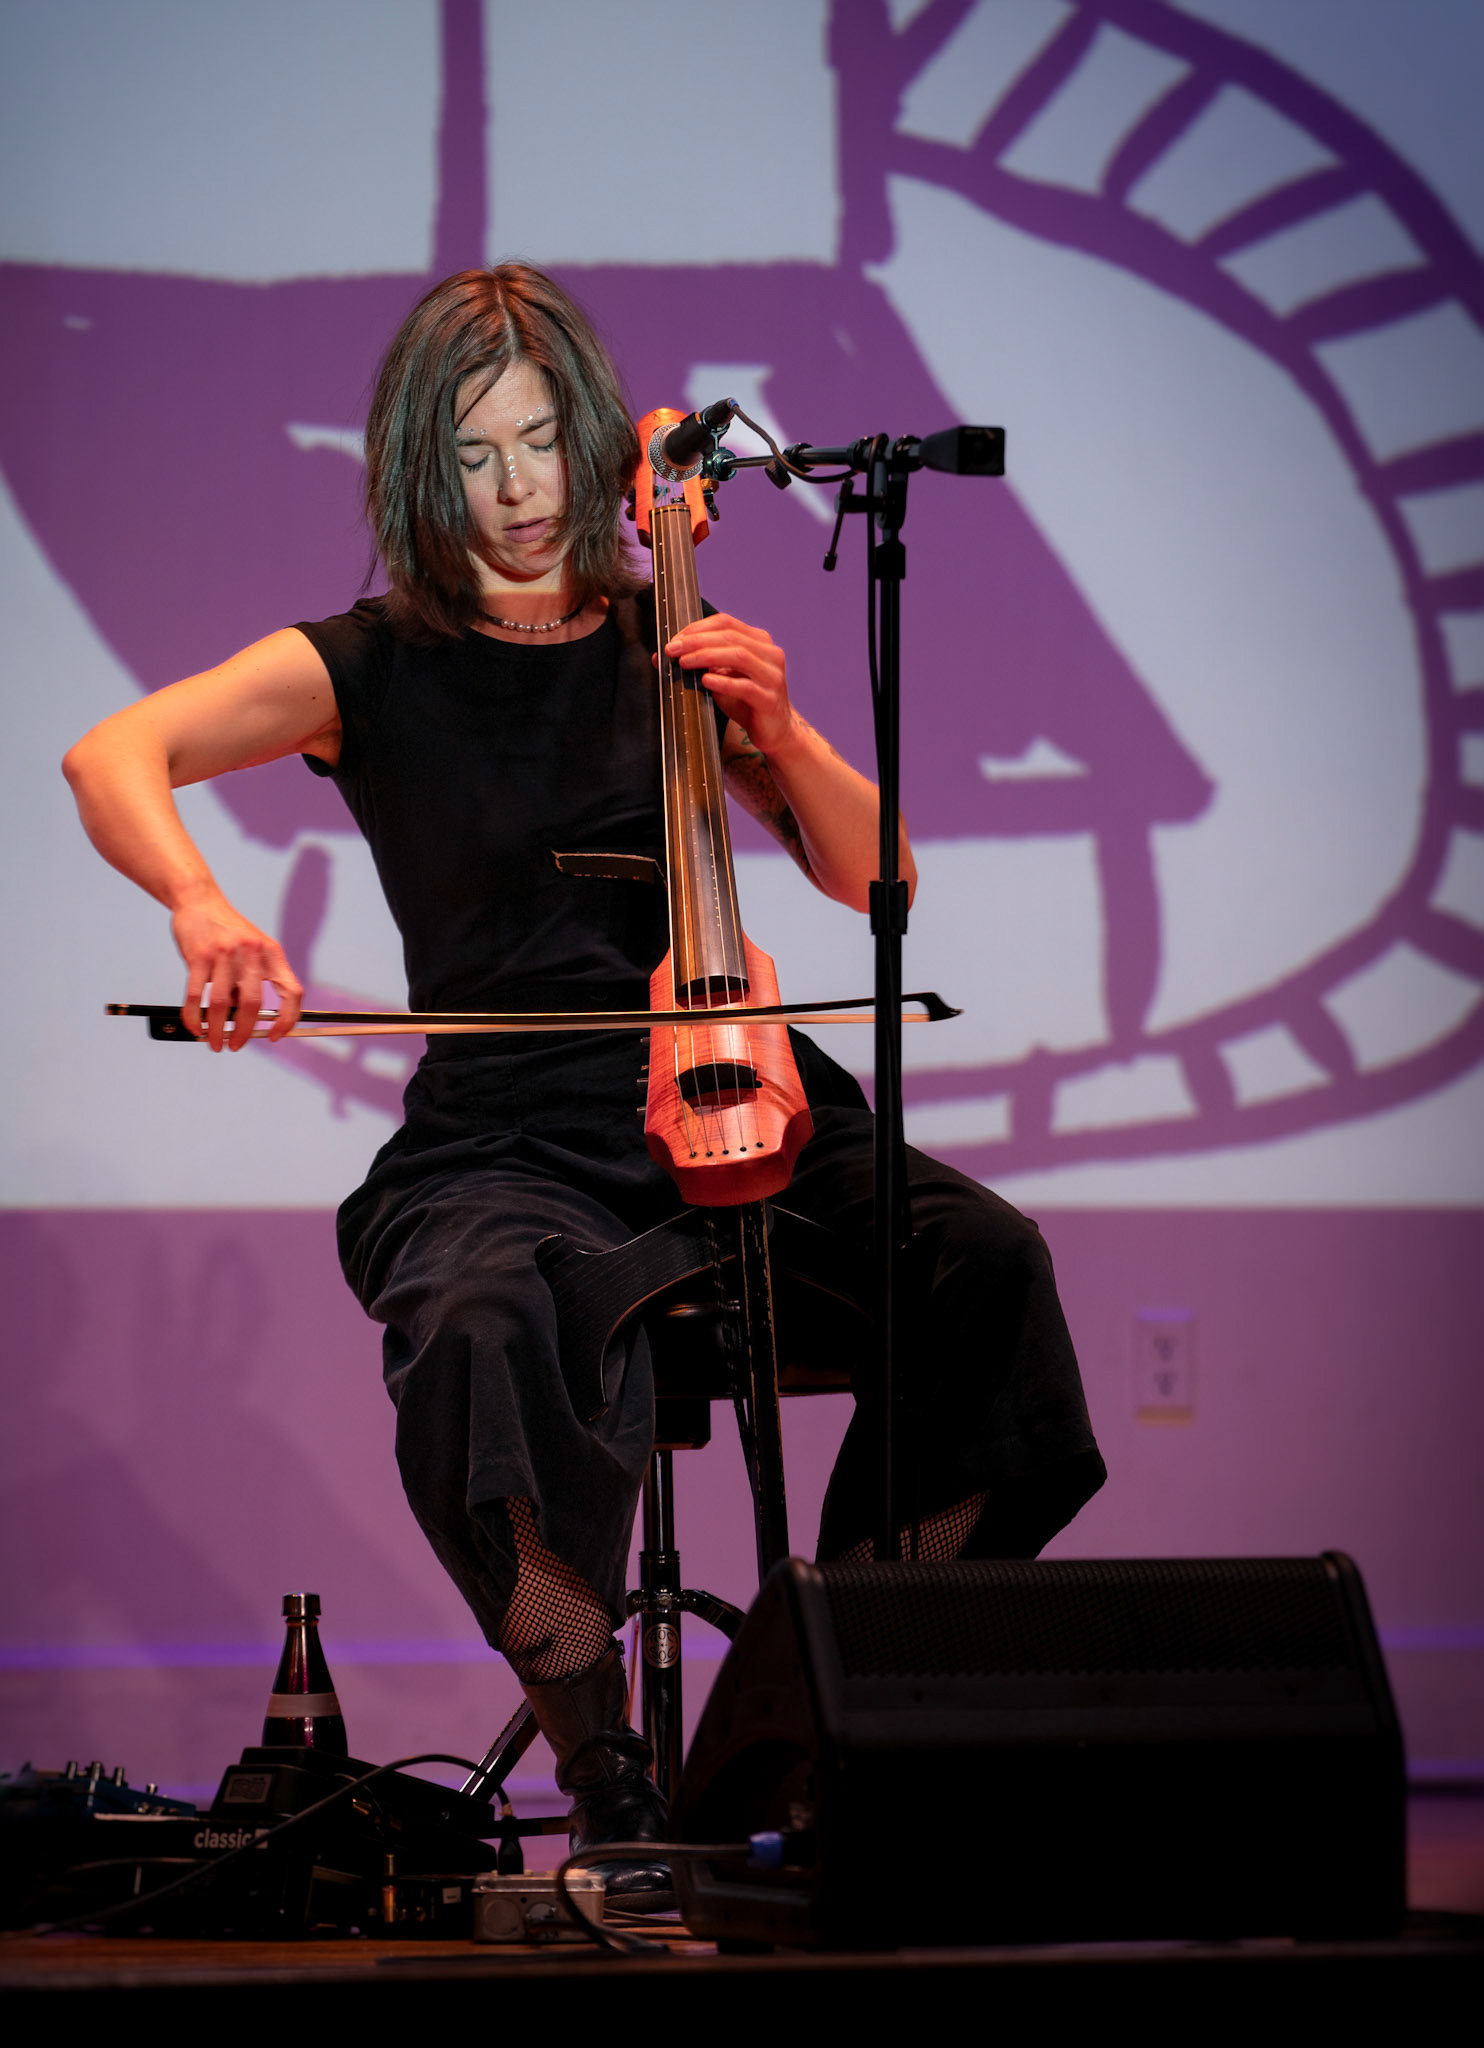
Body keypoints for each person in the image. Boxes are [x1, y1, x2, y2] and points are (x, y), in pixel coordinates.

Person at [63, 264, 1105, 1906]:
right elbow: (112, 754)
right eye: (475, 454)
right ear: (423, 466)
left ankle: (826, 1690)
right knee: (479, 1326)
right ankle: (602, 1755)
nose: (519, 489)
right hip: (510, 1135)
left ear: (603, 444)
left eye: (545, 443)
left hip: (738, 1084)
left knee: (984, 1265)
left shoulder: (668, 641)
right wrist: (204, 906)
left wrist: (780, 729)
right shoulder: (369, 664)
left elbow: (875, 875)